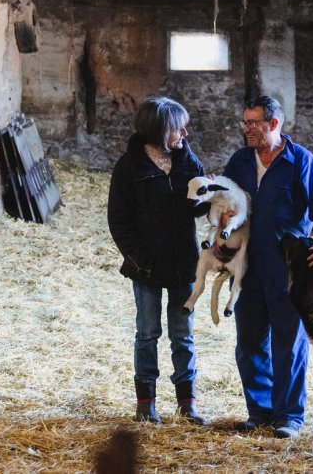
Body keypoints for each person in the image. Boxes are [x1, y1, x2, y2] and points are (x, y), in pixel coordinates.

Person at [217, 95, 313, 438]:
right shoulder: (240, 162)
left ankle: (289, 416)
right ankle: (259, 412)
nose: (246, 130)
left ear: (273, 124)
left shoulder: (300, 162)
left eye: (253, 123)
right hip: (246, 267)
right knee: (249, 342)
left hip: (289, 271)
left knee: (288, 343)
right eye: (244, 123)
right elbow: (224, 202)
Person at [107, 97, 208, 425]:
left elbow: (198, 204)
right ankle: (146, 403)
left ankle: (186, 403)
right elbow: (119, 222)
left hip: (184, 264)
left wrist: (213, 198)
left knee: (183, 335)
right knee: (147, 333)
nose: (185, 132)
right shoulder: (129, 167)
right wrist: (141, 259)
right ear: (160, 130)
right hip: (147, 267)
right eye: (178, 127)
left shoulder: (187, 161)